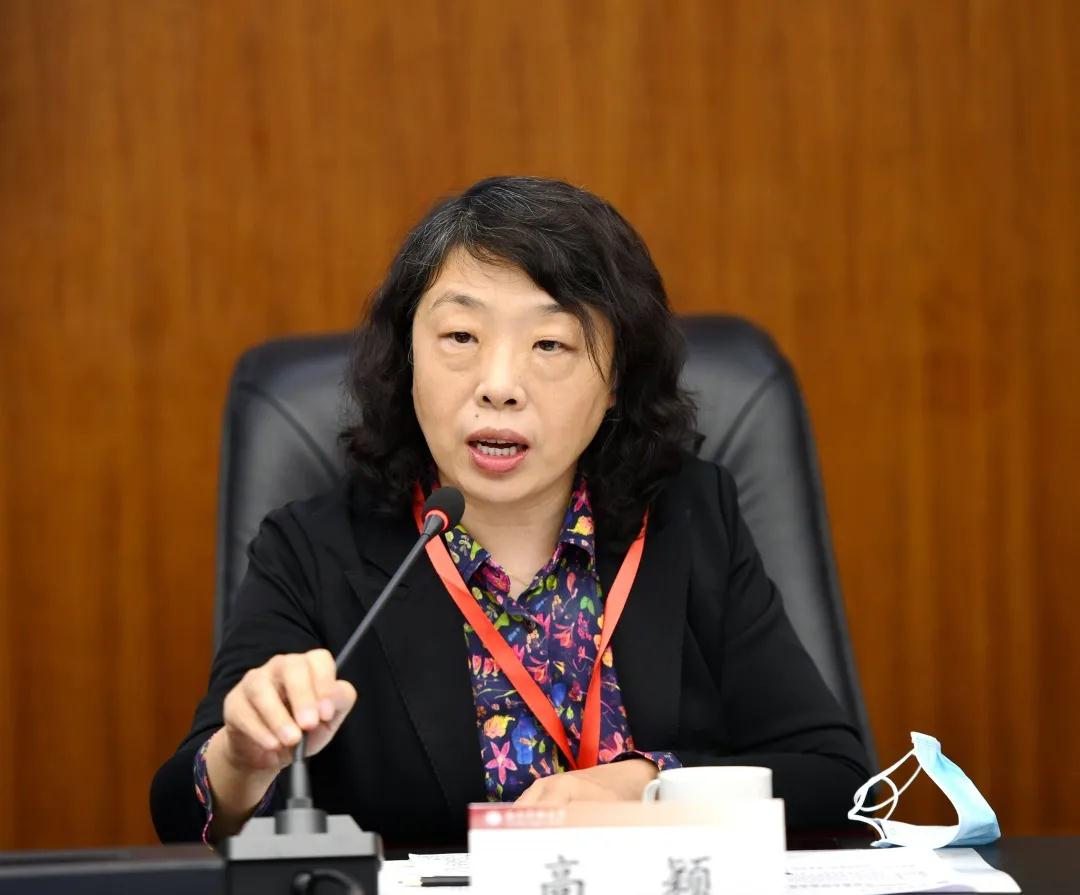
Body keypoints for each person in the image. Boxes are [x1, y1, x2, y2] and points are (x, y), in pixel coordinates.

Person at [150, 176, 870, 849]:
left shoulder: (688, 517)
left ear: (616, 382)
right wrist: (241, 757)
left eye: (550, 344)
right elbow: (182, 814)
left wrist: (649, 790)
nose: (499, 385)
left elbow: (837, 778)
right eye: (460, 338)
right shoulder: (313, 550)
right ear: (409, 357)